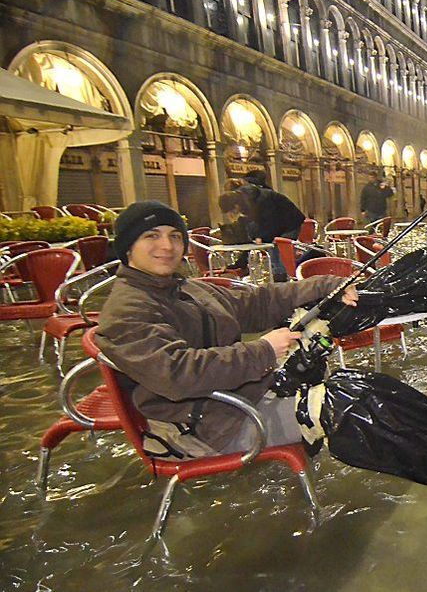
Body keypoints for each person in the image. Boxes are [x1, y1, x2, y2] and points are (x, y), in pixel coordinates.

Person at [95, 201, 357, 458]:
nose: (166, 246)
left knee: (353, 388)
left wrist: (326, 285)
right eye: (151, 236)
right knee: (351, 409)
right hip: (205, 430)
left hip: (237, 400)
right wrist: (263, 351)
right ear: (128, 247)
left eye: (174, 236)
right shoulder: (127, 309)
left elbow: (258, 303)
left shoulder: (186, 288)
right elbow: (176, 373)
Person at [237, 179, 305, 282]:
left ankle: (285, 278)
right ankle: (279, 276)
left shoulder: (262, 200)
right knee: (274, 248)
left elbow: (271, 222)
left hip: (291, 223)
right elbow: (258, 223)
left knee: (280, 249)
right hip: (281, 224)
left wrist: (261, 237)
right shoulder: (252, 199)